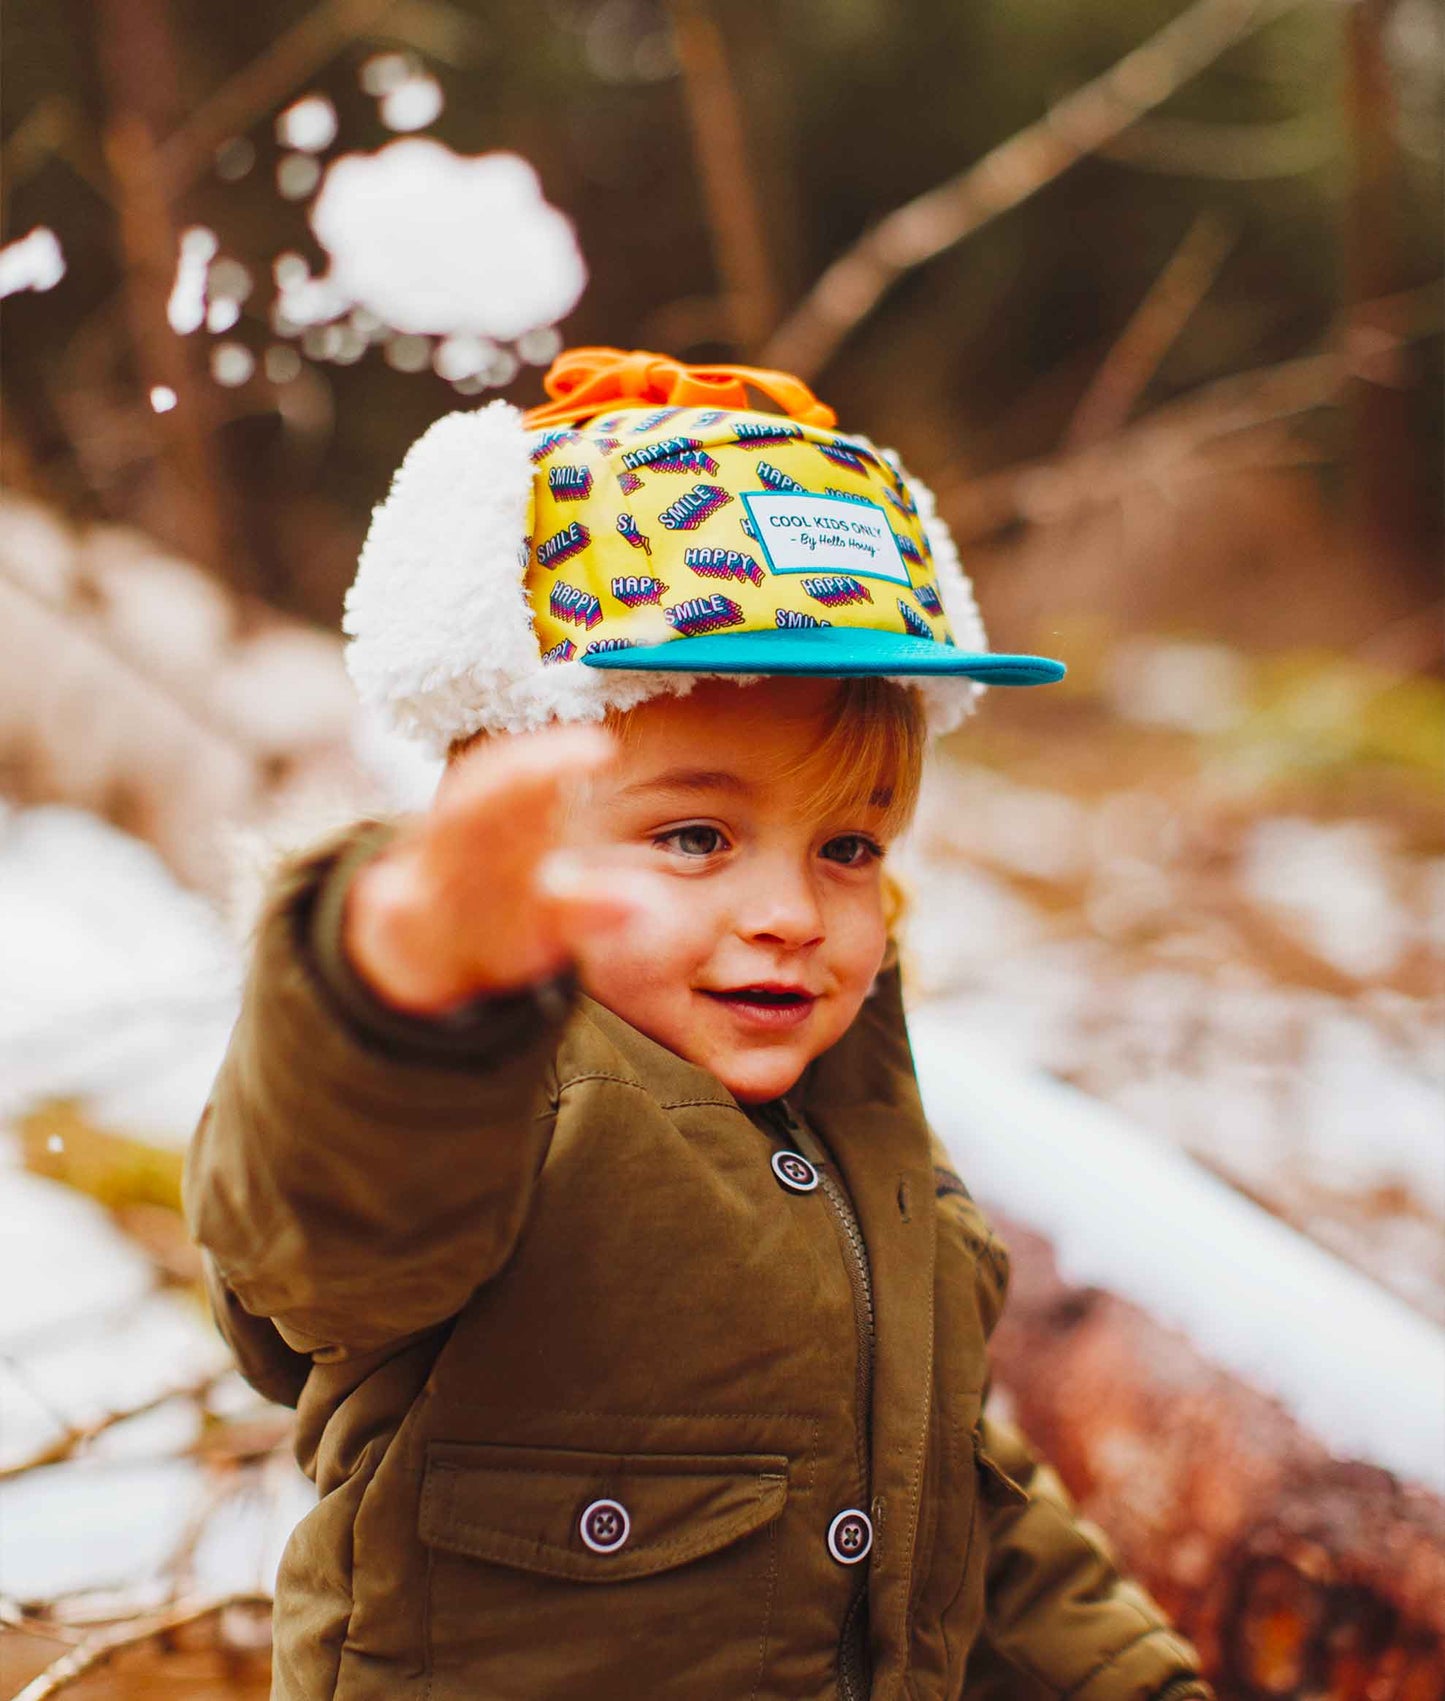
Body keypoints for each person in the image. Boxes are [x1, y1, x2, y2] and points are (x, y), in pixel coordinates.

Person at [185, 348, 1214, 1701]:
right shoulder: (491, 1099)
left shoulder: (860, 1133)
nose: (792, 910)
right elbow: (315, 1241)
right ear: (511, 823)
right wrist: (405, 997)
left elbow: (954, 1492)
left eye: (848, 845)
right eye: (693, 834)